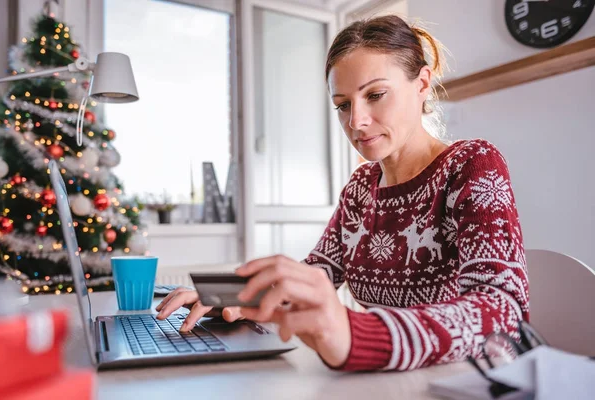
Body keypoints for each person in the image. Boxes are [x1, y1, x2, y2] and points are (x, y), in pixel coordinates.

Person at [156, 15, 529, 372]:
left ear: (422, 83)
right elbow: (315, 274)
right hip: (387, 382)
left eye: (376, 94)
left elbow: (503, 310)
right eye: (343, 105)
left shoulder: (471, 164)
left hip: (462, 381)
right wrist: (228, 297)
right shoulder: (361, 188)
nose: (356, 121)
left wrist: (354, 334)